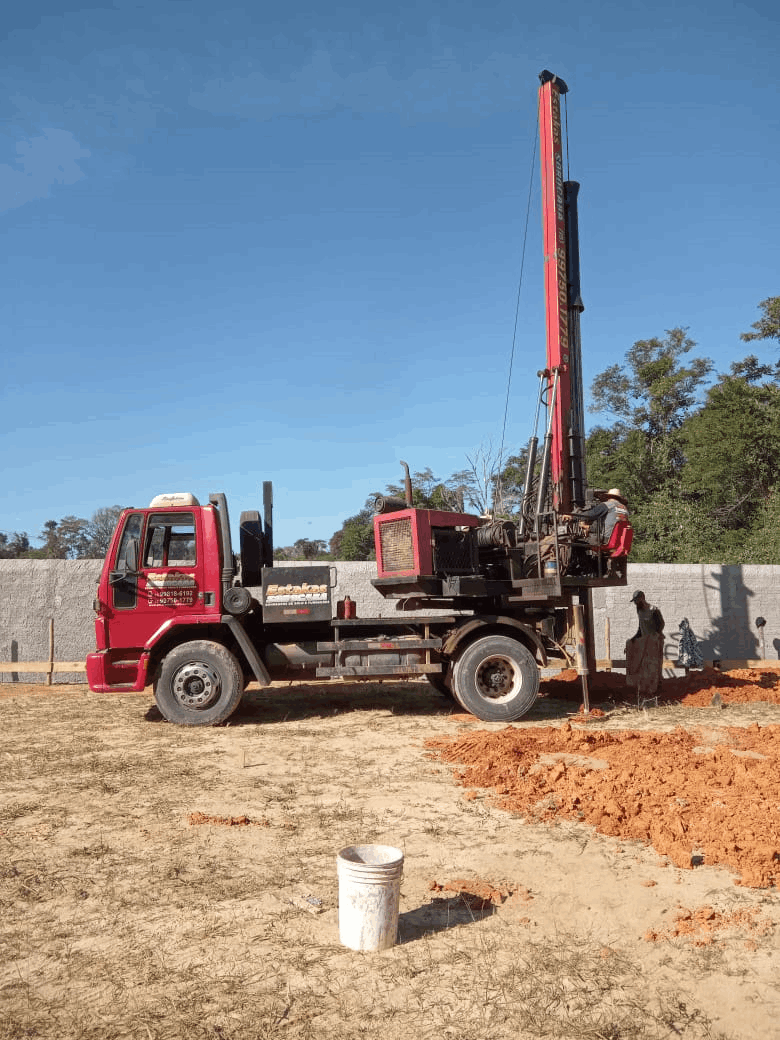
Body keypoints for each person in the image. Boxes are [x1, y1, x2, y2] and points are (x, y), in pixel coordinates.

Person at [626, 590, 665, 699]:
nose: (635, 603)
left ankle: (655, 690)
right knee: (644, 667)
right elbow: (641, 627)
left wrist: (655, 636)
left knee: (654, 666)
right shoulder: (639, 610)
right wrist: (633, 639)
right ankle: (644, 690)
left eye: (636, 600)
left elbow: (661, 625)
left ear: (642, 598)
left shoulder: (654, 610)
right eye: (634, 601)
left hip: (654, 642)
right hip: (644, 642)